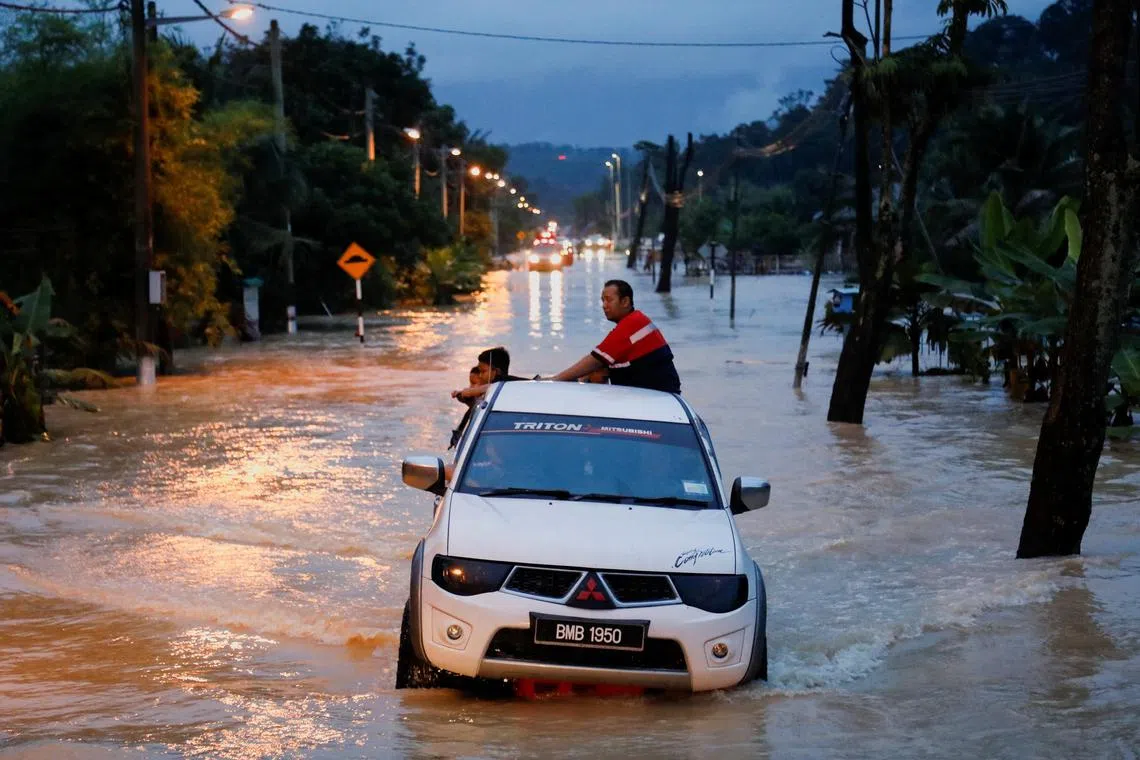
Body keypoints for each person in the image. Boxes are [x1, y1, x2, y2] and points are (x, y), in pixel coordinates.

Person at [549, 279, 681, 393]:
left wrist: (555, 380)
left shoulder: (632, 323)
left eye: (609, 300)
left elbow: (595, 359)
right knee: (596, 371)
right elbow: (604, 360)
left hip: (657, 396)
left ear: (625, 302)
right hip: (661, 393)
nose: (604, 306)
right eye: (602, 301)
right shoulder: (637, 320)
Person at [449, 366, 482, 450]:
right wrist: (458, 394)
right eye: (470, 383)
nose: (470, 387)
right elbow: (464, 397)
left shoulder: (481, 400)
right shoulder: (474, 402)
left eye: (474, 383)